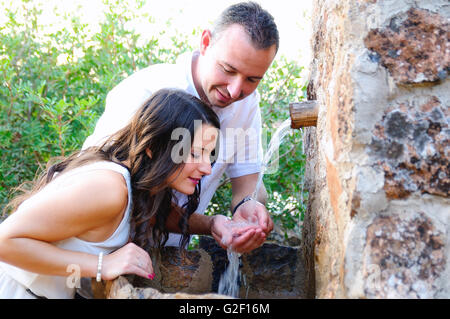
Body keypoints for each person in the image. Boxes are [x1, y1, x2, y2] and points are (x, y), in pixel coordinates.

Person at [82, 1, 278, 253]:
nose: (235, 90)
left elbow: (248, 181)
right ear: (205, 42)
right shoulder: (146, 93)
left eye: (252, 79)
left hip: (165, 253)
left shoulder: (247, 104)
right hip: (100, 251)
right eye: (228, 69)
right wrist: (210, 224)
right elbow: (119, 196)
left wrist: (249, 207)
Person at [0, 88, 229, 298]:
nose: (207, 168)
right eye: (196, 153)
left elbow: (165, 215)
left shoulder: (140, 187)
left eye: (209, 155)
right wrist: (103, 265)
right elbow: (5, 241)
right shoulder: (109, 189)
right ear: (153, 147)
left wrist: (214, 224)